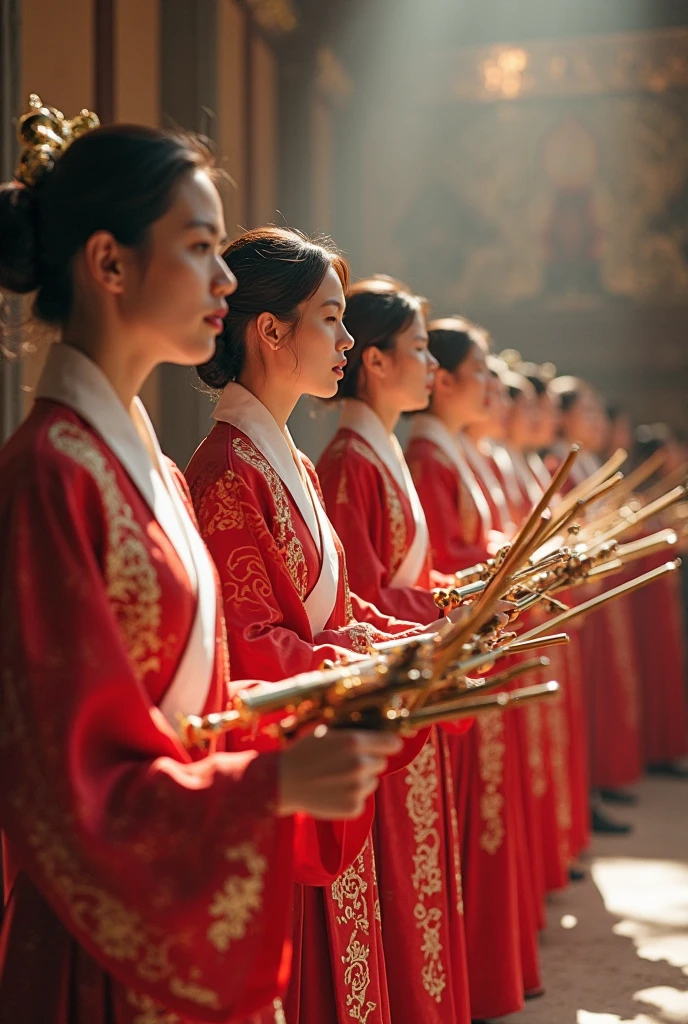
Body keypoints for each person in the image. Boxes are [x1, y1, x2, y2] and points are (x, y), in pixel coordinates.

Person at [0, 112, 402, 1024]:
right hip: (110, 938)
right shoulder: (50, 475)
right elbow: (66, 789)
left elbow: (210, 703)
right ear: (109, 264)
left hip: (191, 871)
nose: (224, 278)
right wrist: (274, 782)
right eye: (198, 247)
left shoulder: (156, 474)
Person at [185, 229, 449, 1024]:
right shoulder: (227, 470)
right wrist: (372, 653)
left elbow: (336, 607)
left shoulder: (291, 463)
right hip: (287, 758)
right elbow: (251, 646)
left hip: (330, 718)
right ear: (270, 331)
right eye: (331, 320)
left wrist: (409, 636)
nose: (345, 340)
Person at [316, 276, 472, 1024]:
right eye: (418, 349)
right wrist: (445, 610)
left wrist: (467, 593)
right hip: (365, 693)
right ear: (377, 363)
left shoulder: (377, 454)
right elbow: (364, 600)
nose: (431, 367)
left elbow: (376, 593)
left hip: (396, 670)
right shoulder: (350, 461)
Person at [406, 317, 543, 1020]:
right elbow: (415, 579)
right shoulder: (423, 461)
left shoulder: (445, 456)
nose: (492, 388)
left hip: (464, 643)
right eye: (480, 372)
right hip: (434, 653)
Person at [547, 376, 642, 833]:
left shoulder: (583, 463)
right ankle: (584, 798)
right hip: (565, 603)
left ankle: (595, 788)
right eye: (586, 411)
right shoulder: (554, 463)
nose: (597, 422)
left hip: (586, 597)